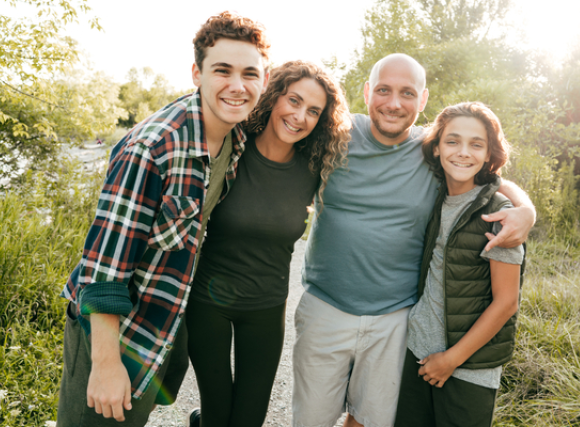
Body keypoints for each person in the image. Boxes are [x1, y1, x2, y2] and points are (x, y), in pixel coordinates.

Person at [293, 54, 536, 427]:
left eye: (407, 93)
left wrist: (526, 211)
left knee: (370, 420)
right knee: (311, 420)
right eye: (384, 90)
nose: (394, 103)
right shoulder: (336, 135)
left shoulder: (431, 148)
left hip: (394, 319)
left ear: (422, 100)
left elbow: (489, 178)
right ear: (367, 92)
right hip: (326, 308)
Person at [56, 11, 270, 427]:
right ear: (197, 73)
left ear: (264, 79)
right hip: (113, 332)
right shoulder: (152, 148)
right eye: (222, 71)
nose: (238, 86)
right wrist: (105, 364)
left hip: (162, 321)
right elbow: (104, 268)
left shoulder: (237, 137)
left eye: (250, 74)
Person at [185, 60, 350, 427]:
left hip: (266, 306)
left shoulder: (316, 167)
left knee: (248, 420)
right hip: (208, 303)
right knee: (218, 413)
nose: (299, 116)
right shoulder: (231, 147)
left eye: (313, 111)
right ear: (273, 96)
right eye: (293, 100)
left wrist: (511, 202)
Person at [393, 102, 524, 427]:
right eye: (452, 141)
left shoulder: (499, 213)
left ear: (488, 152)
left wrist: (451, 359)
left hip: (469, 367)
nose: (463, 152)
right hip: (417, 352)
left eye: (476, 144)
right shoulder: (432, 195)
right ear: (436, 148)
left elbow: (506, 302)